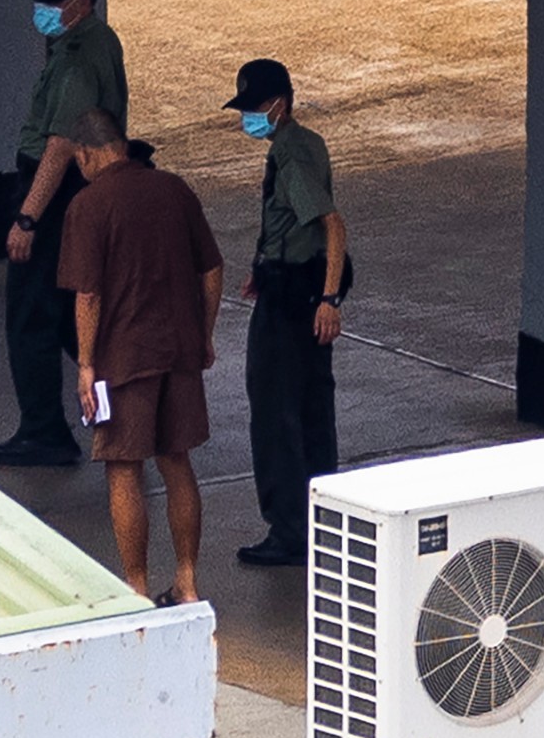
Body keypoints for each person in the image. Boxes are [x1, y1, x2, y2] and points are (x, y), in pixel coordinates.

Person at [58, 108, 223, 603]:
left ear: (87, 154)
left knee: (123, 466)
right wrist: (204, 334)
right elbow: (212, 270)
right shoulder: (174, 189)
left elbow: (88, 295)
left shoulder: (89, 205)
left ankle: (136, 588)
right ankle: (187, 581)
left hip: (122, 359)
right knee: (177, 461)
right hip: (179, 349)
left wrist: (86, 364)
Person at [0, 0, 129, 467]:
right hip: (78, 189)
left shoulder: (77, 59)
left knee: (32, 314)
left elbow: (61, 145)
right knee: (72, 317)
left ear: (82, 1)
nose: (44, 12)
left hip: (56, 191)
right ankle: (124, 410)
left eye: (53, 3)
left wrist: (28, 218)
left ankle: (44, 429)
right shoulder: (98, 40)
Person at [224, 59, 350, 567]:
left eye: (255, 107)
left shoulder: (291, 156)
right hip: (297, 286)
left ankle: (289, 529)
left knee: (276, 411)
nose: (249, 117)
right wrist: (265, 266)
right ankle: (321, 521)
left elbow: (332, 224)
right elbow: (294, 228)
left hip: (293, 302)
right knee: (313, 408)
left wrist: (329, 300)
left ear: (280, 104)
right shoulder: (307, 143)